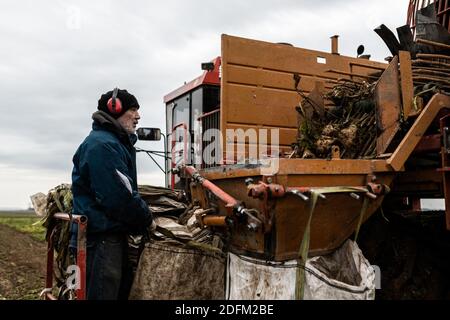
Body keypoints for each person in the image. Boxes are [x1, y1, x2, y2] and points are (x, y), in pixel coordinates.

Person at [70, 88, 153, 300]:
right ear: (114, 109)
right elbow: (118, 197)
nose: (138, 116)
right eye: (133, 109)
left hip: (103, 238)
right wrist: (146, 220)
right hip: (101, 241)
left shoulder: (110, 143)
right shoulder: (103, 146)